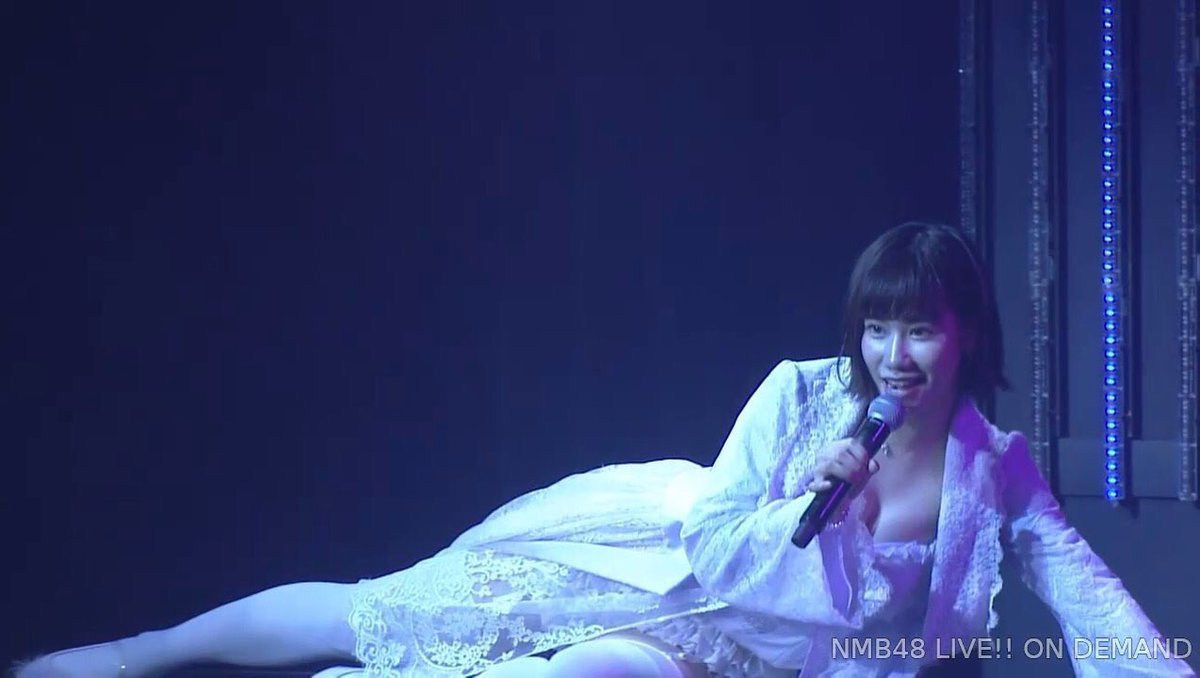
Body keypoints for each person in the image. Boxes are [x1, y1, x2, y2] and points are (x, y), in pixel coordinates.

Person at [15, 222, 1193, 677]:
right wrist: (816, 492)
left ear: (966, 332)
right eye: (876, 328)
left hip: (733, 662)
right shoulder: (800, 396)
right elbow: (720, 535)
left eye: (919, 329)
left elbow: (1094, 606)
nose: (893, 354)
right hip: (654, 564)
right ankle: (139, 654)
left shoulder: (996, 473)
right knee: (395, 610)